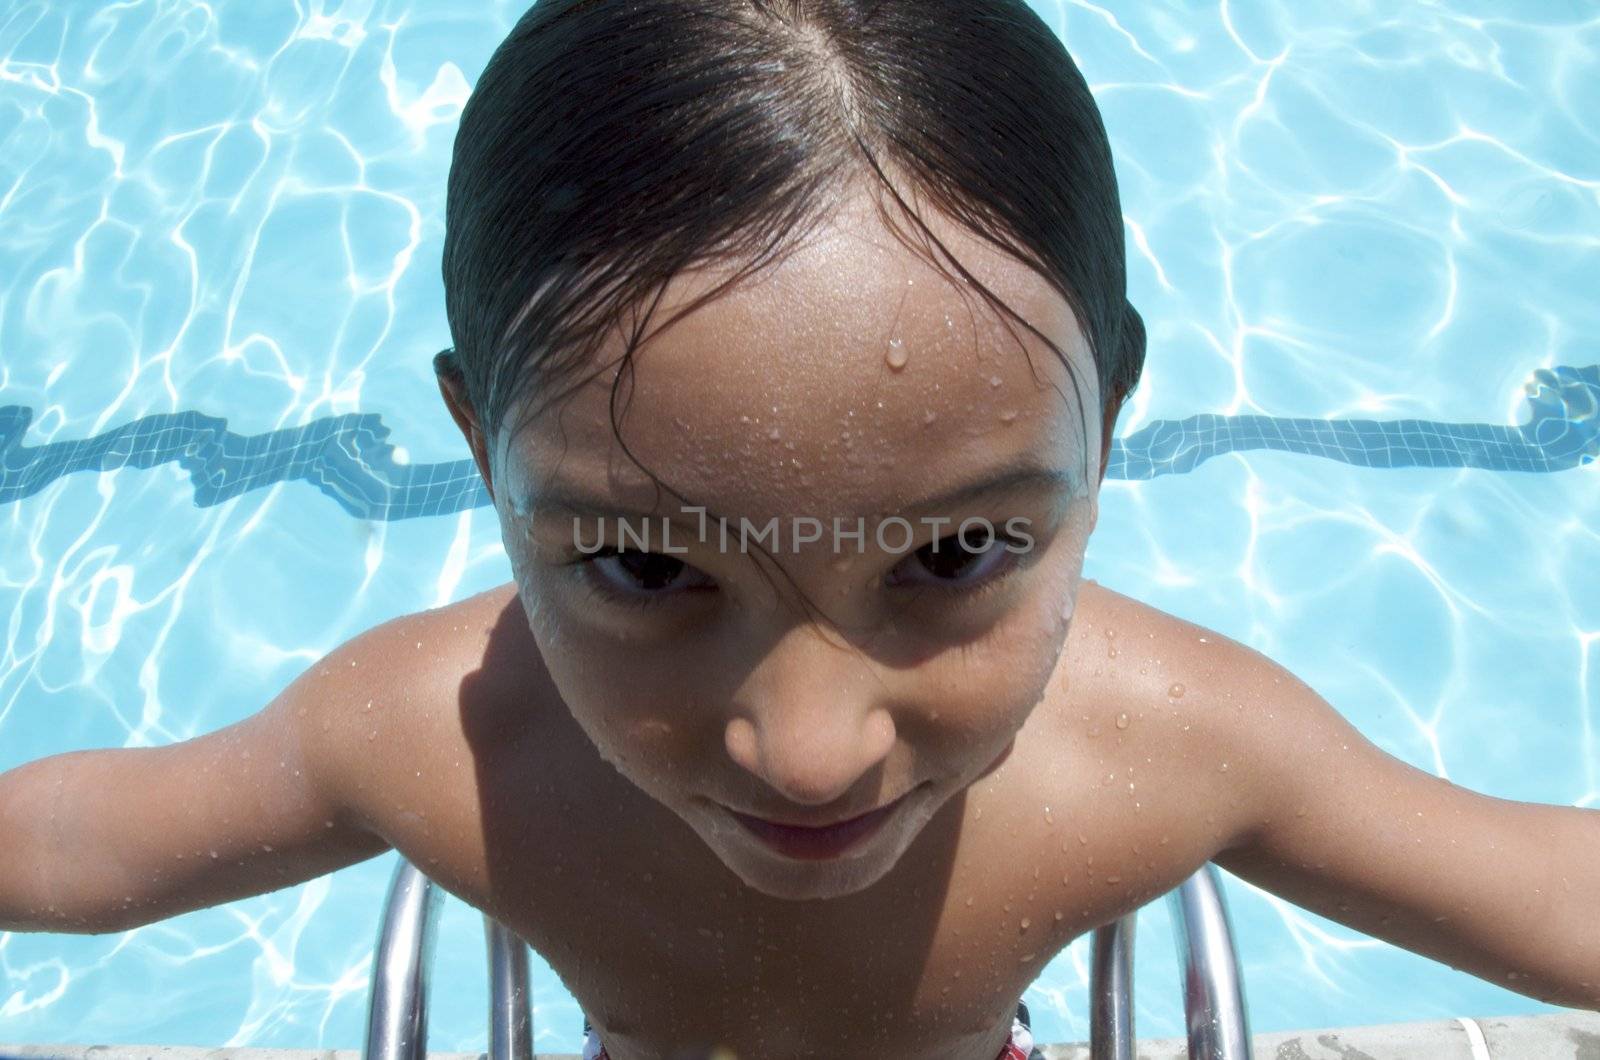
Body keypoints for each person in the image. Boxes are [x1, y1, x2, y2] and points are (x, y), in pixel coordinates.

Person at [2, 1, 1595, 1057]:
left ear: (1107, 425)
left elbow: (1534, 891)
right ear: (481, 450)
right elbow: (81, 843)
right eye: (642, 565)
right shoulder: (431, 741)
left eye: (958, 557)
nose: (807, 752)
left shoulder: (1178, 750)